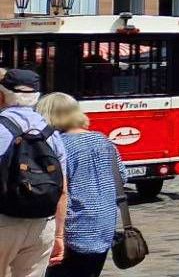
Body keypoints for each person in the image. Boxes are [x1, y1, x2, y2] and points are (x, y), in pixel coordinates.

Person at [38, 93, 115, 277]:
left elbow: (60, 193)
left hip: (75, 230)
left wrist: (58, 235)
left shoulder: (60, 145)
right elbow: (122, 177)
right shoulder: (103, 140)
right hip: (104, 227)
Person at [0, 70, 66, 276]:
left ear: (1, 96)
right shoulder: (51, 133)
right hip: (42, 224)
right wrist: (59, 235)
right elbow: (63, 189)